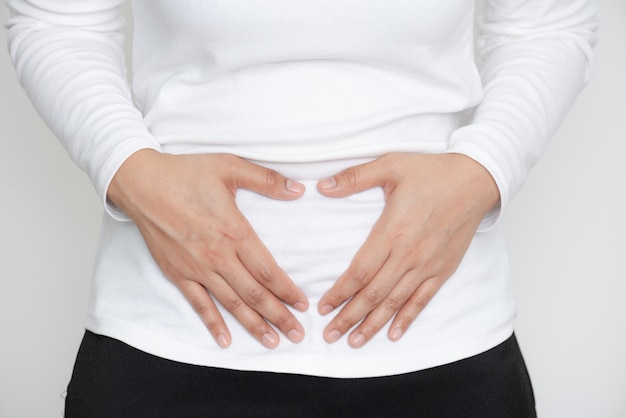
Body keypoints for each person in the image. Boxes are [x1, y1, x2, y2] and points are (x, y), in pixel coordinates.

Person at [6, 1, 597, 416]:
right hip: (168, 334)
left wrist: (483, 169)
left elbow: (547, 25)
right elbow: (57, 20)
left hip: (441, 342)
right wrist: (130, 168)